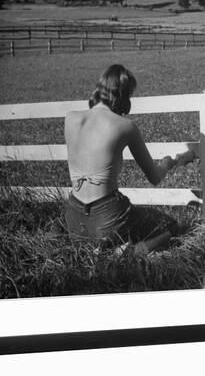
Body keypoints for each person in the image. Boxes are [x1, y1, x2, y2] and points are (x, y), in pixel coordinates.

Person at [64, 64, 195, 254]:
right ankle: (132, 252)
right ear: (123, 94)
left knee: (93, 237)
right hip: (108, 215)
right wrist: (167, 163)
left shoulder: (70, 118)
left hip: (74, 217)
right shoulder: (126, 126)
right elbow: (155, 177)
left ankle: (102, 248)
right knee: (170, 225)